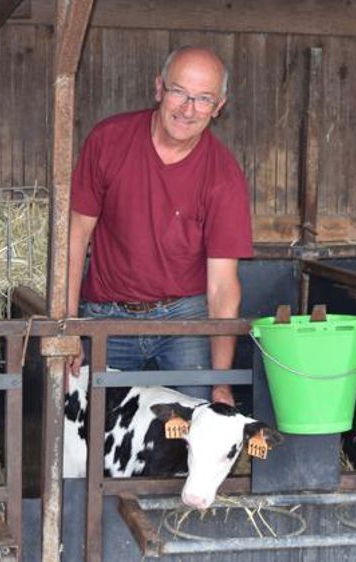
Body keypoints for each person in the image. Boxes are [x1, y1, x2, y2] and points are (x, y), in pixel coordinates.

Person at [66, 46, 252, 405]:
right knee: (92, 434)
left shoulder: (224, 176)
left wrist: (221, 381)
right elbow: (75, 238)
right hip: (108, 313)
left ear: (219, 106)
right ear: (158, 89)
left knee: (193, 426)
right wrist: (69, 327)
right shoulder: (108, 141)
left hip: (184, 317)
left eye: (203, 99)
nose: (187, 109)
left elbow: (223, 286)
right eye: (179, 92)